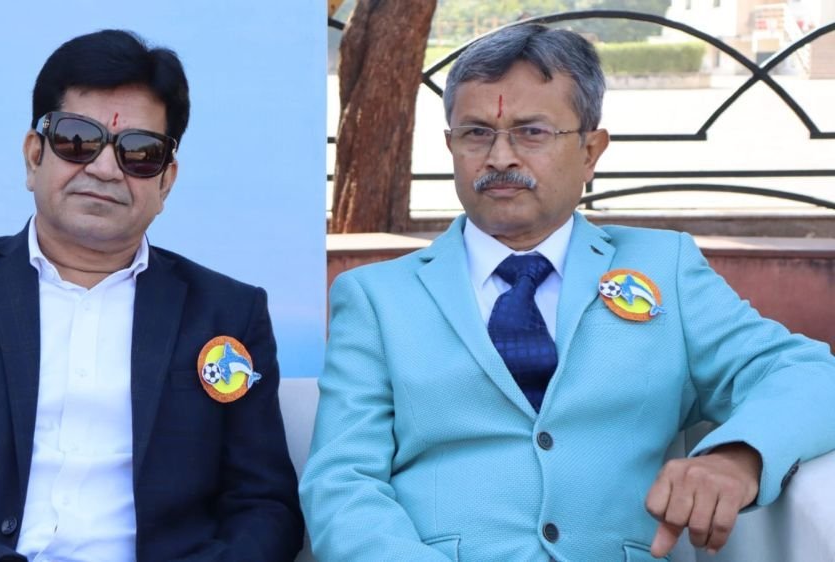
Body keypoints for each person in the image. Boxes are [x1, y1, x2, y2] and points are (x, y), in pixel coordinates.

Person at [299, 23, 835, 561]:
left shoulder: (663, 268)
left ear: (590, 151)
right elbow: (342, 482)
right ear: (451, 147)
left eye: (531, 132)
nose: (500, 157)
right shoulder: (378, 298)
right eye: (476, 133)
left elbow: (811, 374)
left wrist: (738, 456)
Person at [0, 29, 303, 562]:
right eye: (78, 140)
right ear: (34, 156)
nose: (104, 168)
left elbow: (265, 507)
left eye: (139, 152)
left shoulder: (227, 313)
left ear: (166, 181)